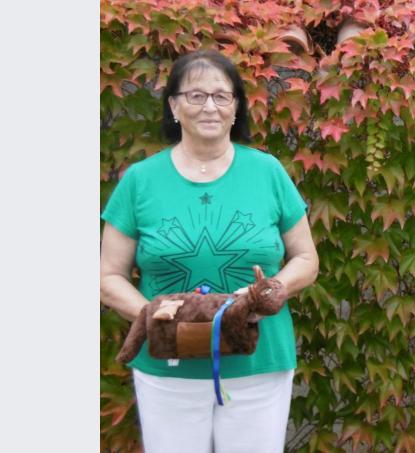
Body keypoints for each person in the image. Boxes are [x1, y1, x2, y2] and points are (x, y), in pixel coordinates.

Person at [100, 49, 319, 453]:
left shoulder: (268, 172)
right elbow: (108, 276)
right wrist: (154, 315)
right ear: (174, 106)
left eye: (222, 96)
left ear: (236, 107)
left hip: (259, 366)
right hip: (167, 371)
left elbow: (306, 259)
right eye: (195, 95)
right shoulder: (139, 181)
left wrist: (273, 289)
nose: (210, 107)